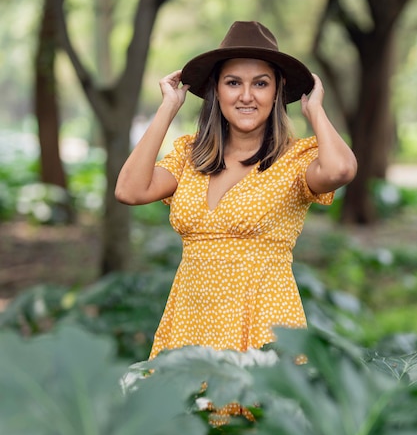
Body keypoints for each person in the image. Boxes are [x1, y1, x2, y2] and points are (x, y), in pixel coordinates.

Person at [115, 21, 357, 363]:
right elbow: (129, 190)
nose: (246, 96)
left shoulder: (294, 160)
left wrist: (314, 110)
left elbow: (341, 170)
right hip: (189, 326)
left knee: (254, 415)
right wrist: (168, 107)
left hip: (263, 328)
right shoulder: (190, 155)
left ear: (277, 91)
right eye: (233, 83)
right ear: (216, 90)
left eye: (260, 83)